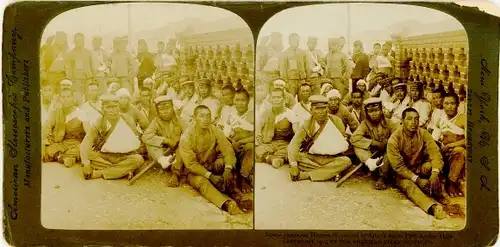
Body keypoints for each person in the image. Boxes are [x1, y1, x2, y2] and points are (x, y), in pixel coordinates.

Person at [179, 105, 243, 215]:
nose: (206, 119)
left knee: (224, 164)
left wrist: (228, 169)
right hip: (194, 172)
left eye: (208, 116)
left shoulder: (214, 130)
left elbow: (227, 149)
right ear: (194, 118)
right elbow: (191, 164)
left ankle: (232, 190)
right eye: (202, 116)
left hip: (211, 164)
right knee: (202, 182)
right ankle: (226, 203)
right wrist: (209, 176)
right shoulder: (187, 136)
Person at [387, 108, 447, 219]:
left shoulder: (423, 133)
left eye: (416, 119)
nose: (414, 123)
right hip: (402, 173)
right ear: (402, 121)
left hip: (419, 167)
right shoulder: (394, 139)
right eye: (409, 119)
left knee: (432, 168)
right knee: (409, 186)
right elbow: (398, 167)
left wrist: (435, 173)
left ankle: (438, 193)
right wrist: (417, 180)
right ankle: (432, 207)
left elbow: (435, 153)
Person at [288, 95, 352, 182]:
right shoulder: (307, 124)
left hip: (331, 158)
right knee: (298, 157)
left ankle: (307, 174)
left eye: (323, 108)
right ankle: (331, 173)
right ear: (311, 110)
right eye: (317, 109)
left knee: (346, 161)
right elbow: (294, 143)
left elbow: (342, 143)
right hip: (312, 158)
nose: (321, 112)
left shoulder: (336, 121)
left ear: (327, 109)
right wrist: (293, 165)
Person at [80, 94, 144, 180]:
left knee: (138, 159)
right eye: (108, 108)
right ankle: (122, 171)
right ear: (103, 109)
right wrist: (86, 163)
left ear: (119, 108)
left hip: (124, 156)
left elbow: (136, 140)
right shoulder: (100, 121)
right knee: (88, 154)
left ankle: (102, 172)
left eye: (114, 107)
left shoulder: (127, 119)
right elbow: (88, 140)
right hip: (105, 155)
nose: (112, 111)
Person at [351, 98, 398, 189]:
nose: (374, 114)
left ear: (381, 110)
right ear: (367, 113)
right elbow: (354, 138)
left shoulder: (389, 122)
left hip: (387, 154)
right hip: (372, 154)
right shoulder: (364, 124)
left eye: (376, 110)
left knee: (390, 152)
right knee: (357, 145)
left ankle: (382, 177)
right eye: (371, 111)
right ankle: (370, 163)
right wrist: (374, 143)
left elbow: (398, 137)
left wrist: (388, 142)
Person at [142, 95, 183, 187]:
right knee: (150, 142)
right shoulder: (156, 121)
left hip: (178, 153)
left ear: (172, 108)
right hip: (164, 153)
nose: (165, 112)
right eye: (161, 110)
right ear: (158, 111)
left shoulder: (180, 120)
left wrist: (179, 140)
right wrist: (166, 140)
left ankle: (175, 174)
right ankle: (162, 160)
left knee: (182, 147)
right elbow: (146, 136)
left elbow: (189, 134)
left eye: (167, 108)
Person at [432, 93, 466, 197]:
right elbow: (434, 138)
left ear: (457, 105)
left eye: (452, 103)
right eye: (446, 103)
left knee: (459, 150)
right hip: (443, 153)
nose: (449, 106)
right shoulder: (441, 119)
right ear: (443, 104)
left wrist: (450, 145)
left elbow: (469, 140)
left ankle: (451, 182)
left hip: (456, 154)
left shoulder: (463, 118)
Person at [256, 88, 299, 168]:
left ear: (284, 99)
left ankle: (274, 157)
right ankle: (273, 159)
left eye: (278, 97)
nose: (276, 100)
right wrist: (259, 138)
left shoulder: (290, 114)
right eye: (274, 97)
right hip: (270, 144)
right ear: (271, 99)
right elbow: (258, 127)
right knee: (255, 150)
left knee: (293, 151)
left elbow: (297, 133)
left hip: (285, 144)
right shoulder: (266, 113)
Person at [42, 89, 85, 167]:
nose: (66, 99)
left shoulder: (80, 113)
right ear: (60, 99)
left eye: (68, 97)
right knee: (44, 150)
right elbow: (47, 127)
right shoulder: (56, 111)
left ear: (72, 98)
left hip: (75, 143)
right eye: (63, 97)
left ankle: (60, 156)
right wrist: (43, 143)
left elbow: (88, 132)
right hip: (59, 142)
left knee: (83, 150)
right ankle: (63, 157)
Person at [223, 89, 255, 194]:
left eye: (243, 100)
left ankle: (243, 177)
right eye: (237, 100)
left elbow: (257, 136)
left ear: (248, 101)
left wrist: (241, 142)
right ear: (234, 101)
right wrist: (232, 142)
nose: (240, 103)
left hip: (246, 147)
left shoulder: (253, 115)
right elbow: (225, 134)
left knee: (250, 147)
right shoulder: (231, 116)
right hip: (233, 146)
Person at [66, 32, 94, 104]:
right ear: (74, 41)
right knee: (78, 100)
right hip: (77, 80)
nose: (79, 42)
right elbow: (69, 68)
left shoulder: (88, 52)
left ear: (84, 41)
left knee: (89, 99)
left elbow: (92, 66)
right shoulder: (70, 54)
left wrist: (93, 78)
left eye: (81, 40)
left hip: (88, 79)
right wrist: (72, 80)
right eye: (77, 40)